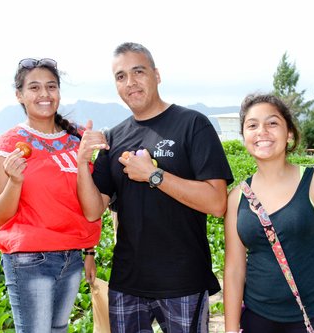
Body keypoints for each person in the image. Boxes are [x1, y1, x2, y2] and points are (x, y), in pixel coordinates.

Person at [76, 42, 234, 332]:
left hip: (183, 280)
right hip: (127, 282)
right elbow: (91, 211)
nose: (130, 82)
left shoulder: (192, 124)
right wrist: (82, 163)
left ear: (157, 75)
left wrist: (154, 175)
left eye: (138, 71)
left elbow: (217, 202)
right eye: (121, 76)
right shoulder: (114, 136)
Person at [223, 94, 314, 333]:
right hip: (257, 318)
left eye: (272, 123)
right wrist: (230, 328)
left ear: (289, 134)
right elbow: (234, 269)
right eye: (252, 125)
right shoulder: (237, 197)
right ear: (245, 136)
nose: (262, 131)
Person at [0, 58, 101, 333]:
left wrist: (88, 251)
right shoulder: (8, 145)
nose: (44, 95)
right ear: (20, 95)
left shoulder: (78, 140)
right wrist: (15, 182)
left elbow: (89, 207)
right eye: (34, 88)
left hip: (71, 258)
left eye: (51, 86)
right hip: (29, 259)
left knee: (59, 330)